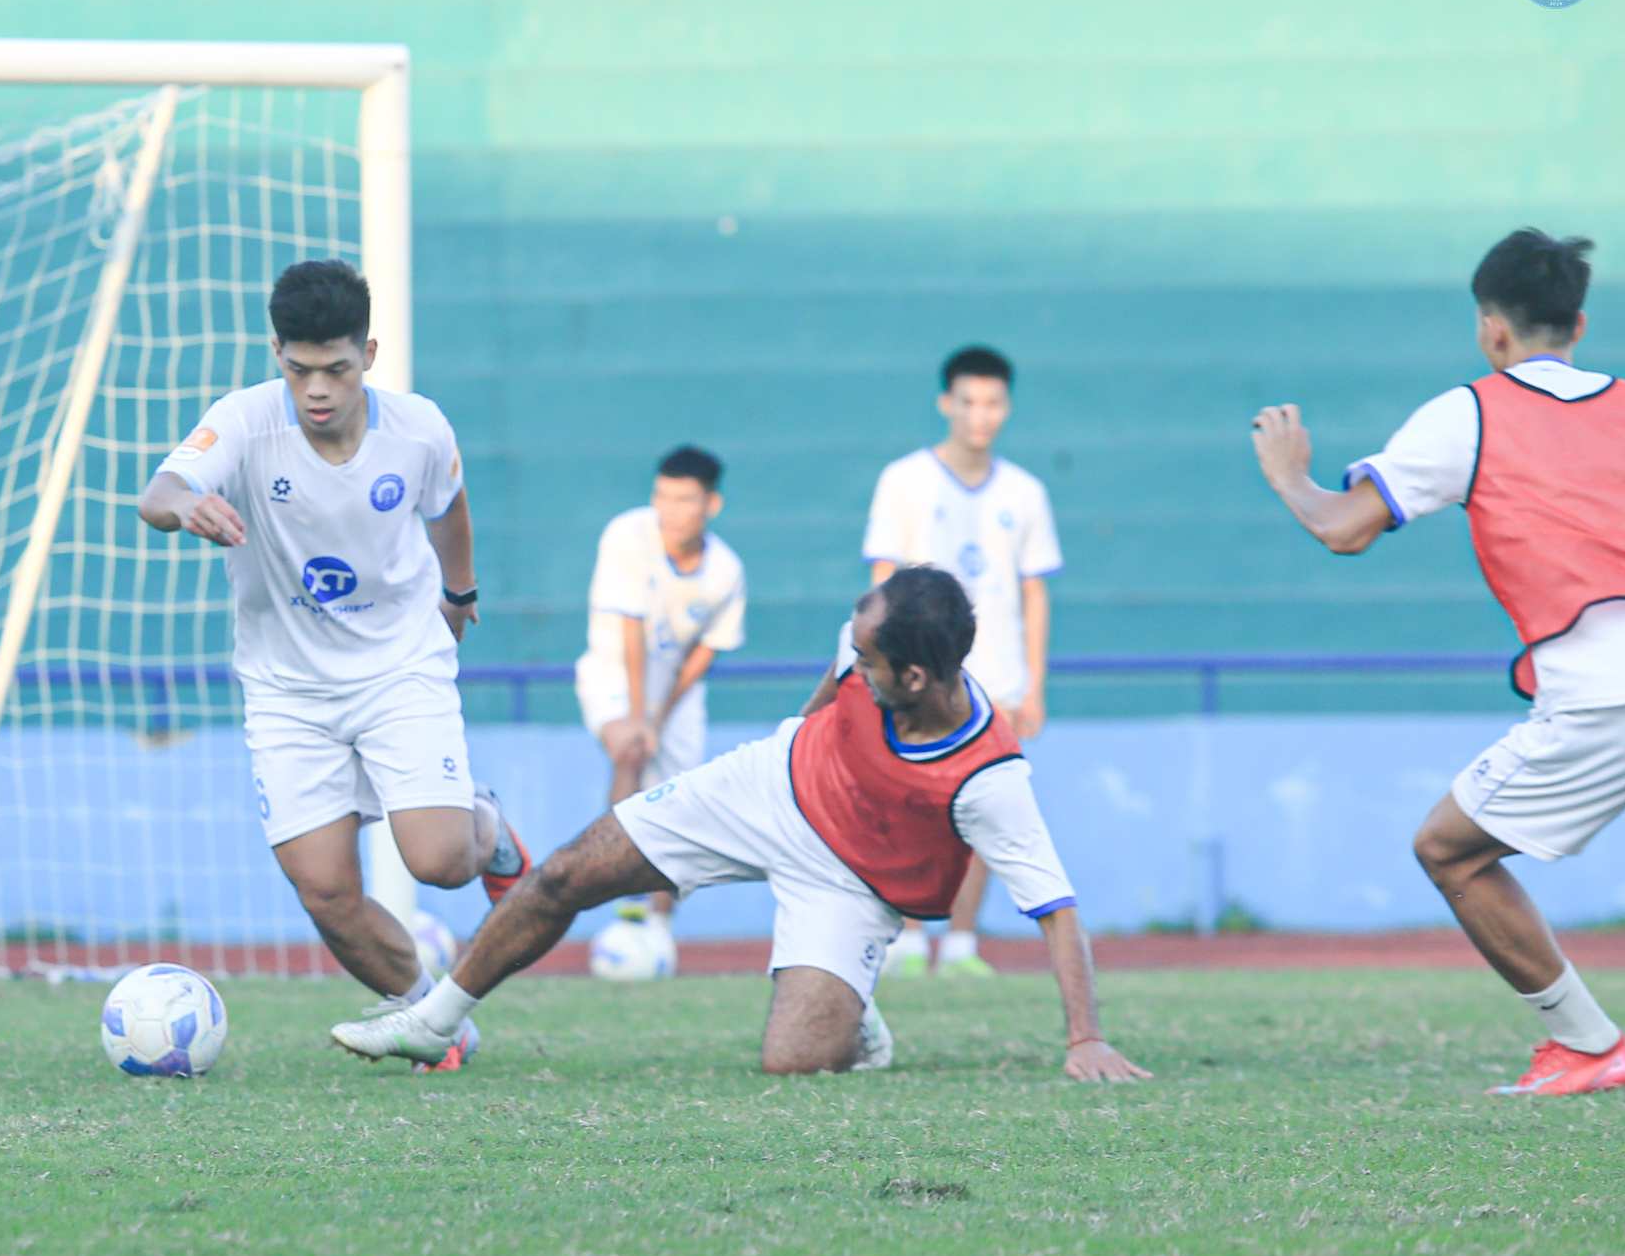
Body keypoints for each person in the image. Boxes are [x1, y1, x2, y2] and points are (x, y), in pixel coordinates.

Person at [332, 567, 1149, 1084]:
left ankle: (852, 1006)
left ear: (916, 674)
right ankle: (432, 1019)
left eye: (870, 661)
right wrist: (790, 745)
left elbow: (1055, 906)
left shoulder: (991, 777)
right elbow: (827, 700)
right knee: (565, 874)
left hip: (853, 885)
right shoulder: (870, 644)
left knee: (791, 1065)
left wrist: (1086, 1038)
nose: (853, 662)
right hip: (764, 789)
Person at [1252, 228, 1625, 1097]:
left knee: (1450, 850)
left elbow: (1343, 528)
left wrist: (1288, 474)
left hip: (1599, 696)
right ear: (1577, 323)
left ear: (1492, 329)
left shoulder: (1470, 412)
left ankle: (1584, 1043)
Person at [137, 259, 530, 1073]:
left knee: (440, 862)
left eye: (337, 369)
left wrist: (460, 591)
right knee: (325, 890)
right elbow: (160, 488)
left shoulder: (419, 427)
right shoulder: (245, 422)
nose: (318, 389)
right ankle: (429, 1017)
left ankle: (484, 827)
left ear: (370, 355)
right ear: (275, 351)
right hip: (286, 689)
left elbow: (448, 503)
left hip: (399, 667)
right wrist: (186, 506)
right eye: (299, 368)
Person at [863, 346, 1061, 979]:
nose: (981, 416)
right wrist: (888, 668)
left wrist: (1033, 684)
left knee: (985, 809)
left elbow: (1033, 591)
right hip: (922, 675)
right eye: (969, 402)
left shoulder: (1025, 492)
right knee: (910, 805)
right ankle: (910, 937)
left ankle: (961, 943)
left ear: (1007, 407)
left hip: (996, 678)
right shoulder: (904, 481)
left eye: (993, 403)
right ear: (947, 403)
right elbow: (883, 582)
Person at [574, 445, 746, 975]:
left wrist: (661, 710)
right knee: (631, 750)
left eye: (684, 500)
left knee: (680, 801)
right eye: (661, 496)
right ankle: (624, 907)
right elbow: (630, 630)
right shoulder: (628, 534)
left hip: (677, 691)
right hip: (612, 672)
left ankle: (661, 925)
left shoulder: (726, 571)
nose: (669, 510)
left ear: (711, 504)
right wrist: (639, 713)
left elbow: (706, 651)